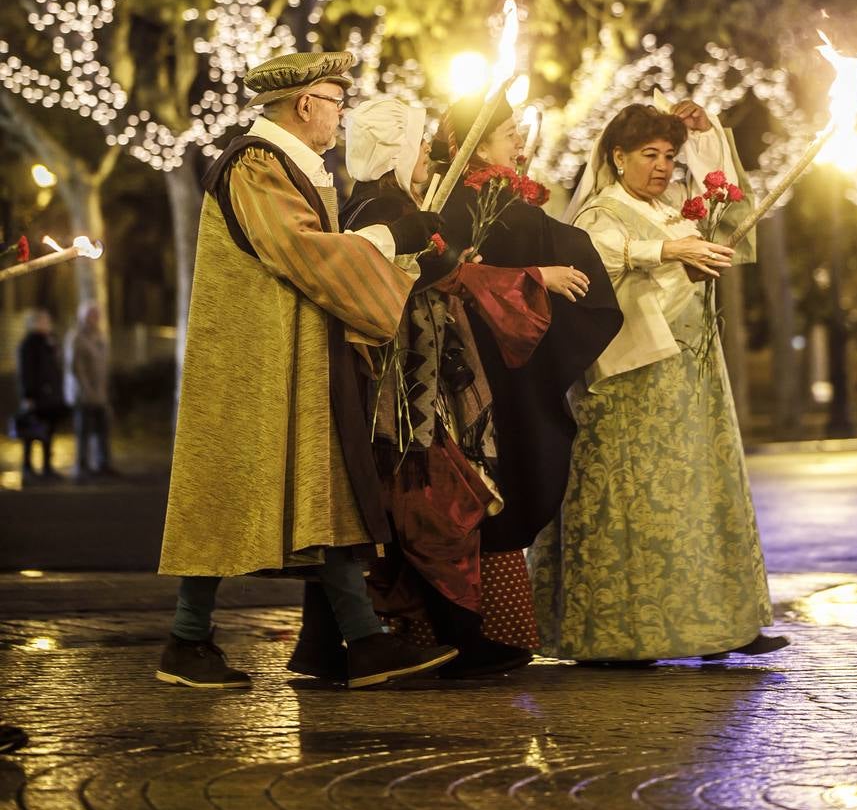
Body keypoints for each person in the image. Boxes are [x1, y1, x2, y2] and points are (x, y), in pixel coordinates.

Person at [157, 51, 457, 690]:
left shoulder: (291, 164)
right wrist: (389, 238)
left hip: (290, 352)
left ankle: (363, 642)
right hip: (250, 362)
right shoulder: (255, 164)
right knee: (224, 491)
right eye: (334, 102)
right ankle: (185, 643)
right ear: (303, 105)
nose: (340, 114)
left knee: (322, 490)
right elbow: (300, 249)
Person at [529, 99, 788, 663]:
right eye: (650, 154)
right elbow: (596, 258)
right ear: (617, 156)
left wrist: (711, 134)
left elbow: (733, 237)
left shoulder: (676, 210)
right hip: (631, 385)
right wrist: (667, 251)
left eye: (670, 156)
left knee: (704, 497)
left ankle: (722, 624)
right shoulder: (603, 212)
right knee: (639, 506)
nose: (663, 167)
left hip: (692, 376)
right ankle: (623, 635)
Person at [319, 95, 557, 676]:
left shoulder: (387, 202)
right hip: (404, 395)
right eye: (418, 143)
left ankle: (341, 643)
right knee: (435, 507)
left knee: (413, 511)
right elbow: (428, 271)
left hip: (417, 381)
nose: (426, 151)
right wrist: (530, 277)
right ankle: (460, 637)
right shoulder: (382, 207)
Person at [434, 93, 623, 651]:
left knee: (501, 480)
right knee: (486, 480)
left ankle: (494, 631)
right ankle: (471, 633)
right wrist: (537, 274)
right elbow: (457, 271)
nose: (520, 140)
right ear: (476, 141)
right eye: (509, 131)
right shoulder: (460, 199)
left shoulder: (490, 196)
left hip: (505, 366)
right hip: (474, 370)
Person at [64, 302, 115, 480]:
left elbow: (102, 365)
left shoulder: (99, 336)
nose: (95, 318)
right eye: (92, 315)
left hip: (100, 393)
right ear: (83, 317)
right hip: (83, 394)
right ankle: (81, 466)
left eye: (97, 314)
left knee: (102, 429)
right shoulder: (77, 337)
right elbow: (76, 368)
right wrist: (87, 390)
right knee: (83, 431)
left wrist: (103, 390)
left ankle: (103, 464)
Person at [16, 309, 66, 484]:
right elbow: (26, 372)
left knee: (48, 432)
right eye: (43, 321)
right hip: (36, 397)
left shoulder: (50, 342)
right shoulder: (28, 344)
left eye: (47, 321)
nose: (47, 324)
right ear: (34, 323)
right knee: (30, 433)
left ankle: (47, 466)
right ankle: (27, 467)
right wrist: (28, 395)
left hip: (51, 397)